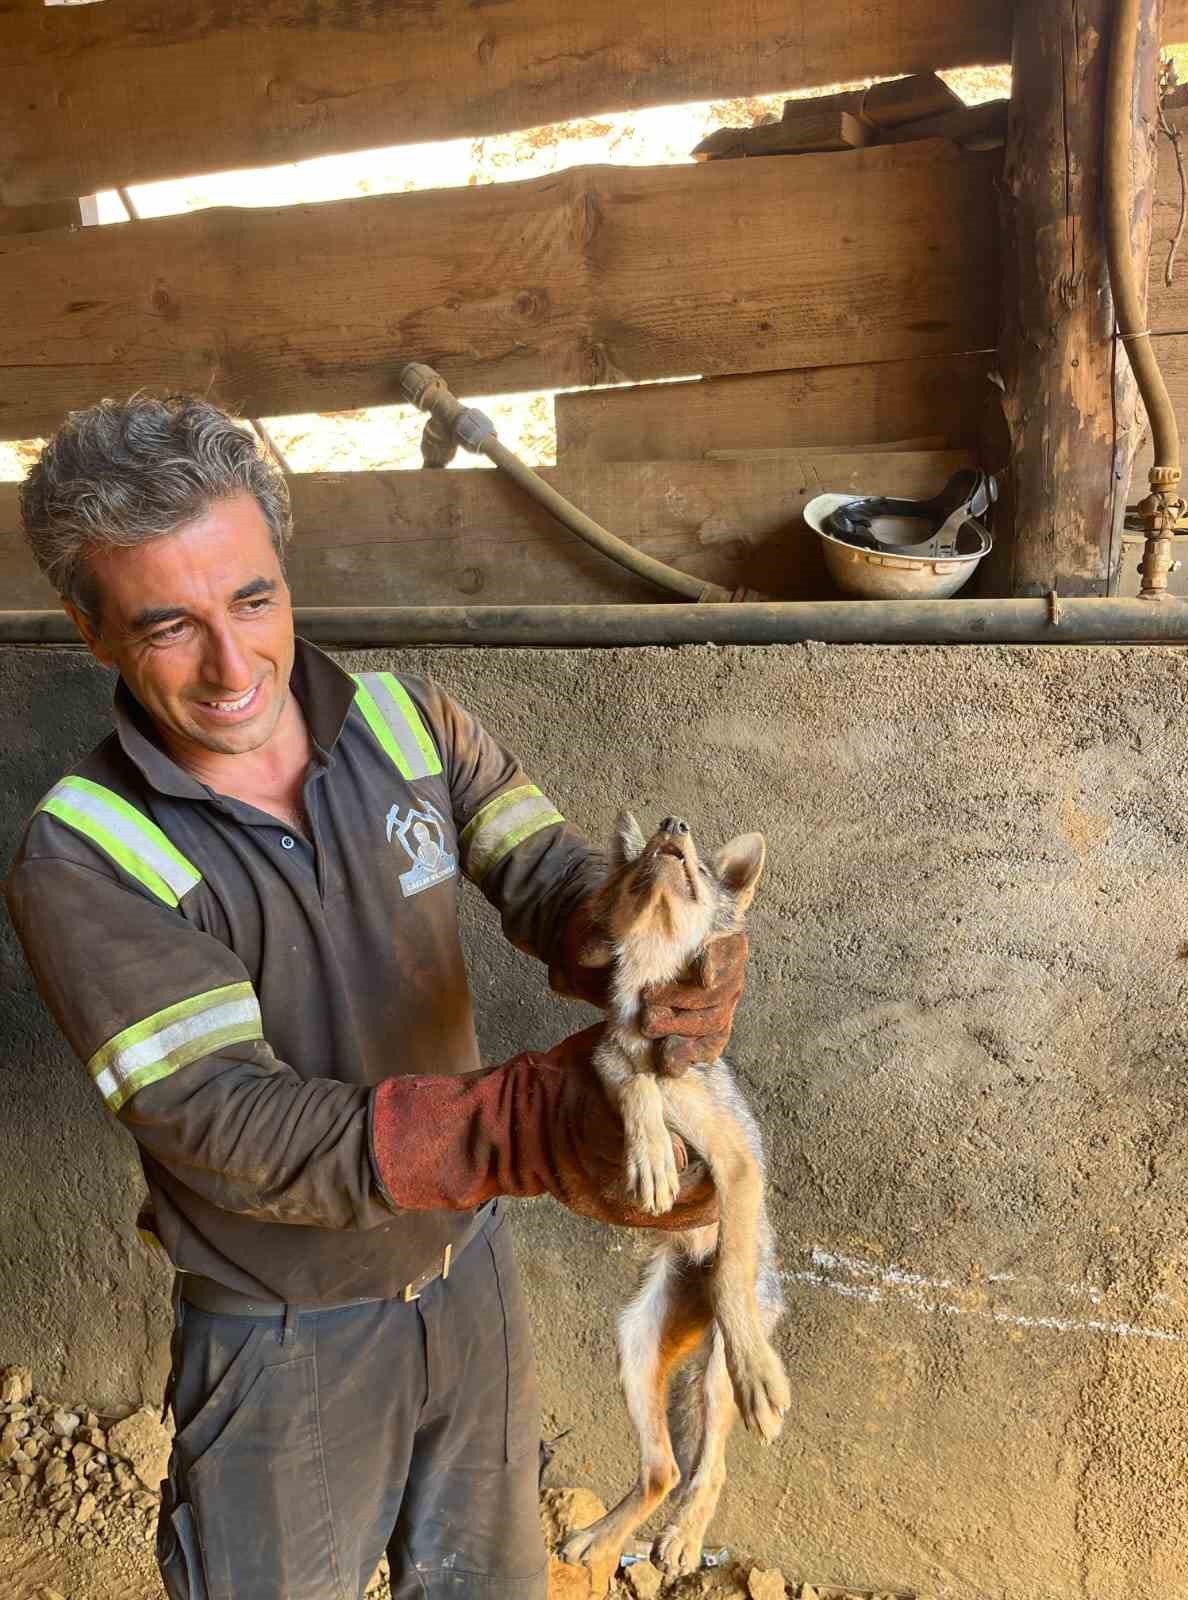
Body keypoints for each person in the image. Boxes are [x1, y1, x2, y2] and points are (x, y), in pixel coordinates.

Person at [3, 395, 750, 1600]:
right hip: (281, 1329)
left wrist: (652, 938)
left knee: (484, 1583)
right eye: (168, 625)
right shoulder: (84, 855)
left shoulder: (412, 724)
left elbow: (549, 874)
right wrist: (527, 1127)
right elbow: (226, 1124)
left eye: (252, 599)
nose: (235, 664)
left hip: (470, 1281)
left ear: (284, 570)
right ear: (92, 631)